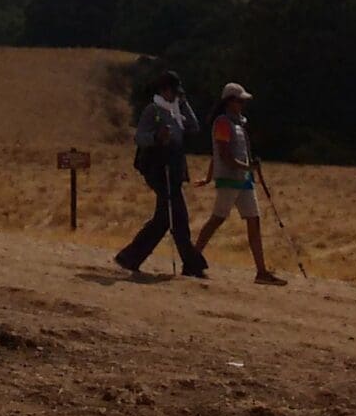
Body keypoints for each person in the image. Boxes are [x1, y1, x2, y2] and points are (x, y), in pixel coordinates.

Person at [115, 70, 210, 279]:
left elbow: (194, 127)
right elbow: (140, 137)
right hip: (159, 169)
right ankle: (193, 264)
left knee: (165, 219)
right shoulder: (153, 110)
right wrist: (157, 137)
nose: (176, 96)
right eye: (173, 92)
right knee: (178, 217)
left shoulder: (176, 111)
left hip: (174, 169)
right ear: (164, 90)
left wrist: (184, 104)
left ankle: (130, 256)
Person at [194, 82, 287, 285]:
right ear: (229, 101)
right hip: (229, 179)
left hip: (243, 181)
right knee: (217, 219)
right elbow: (223, 154)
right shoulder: (223, 123)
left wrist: (213, 176)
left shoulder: (238, 123)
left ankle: (261, 271)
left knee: (254, 219)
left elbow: (218, 155)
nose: (243, 104)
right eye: (240, 101)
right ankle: (193, 259)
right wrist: (247, 168)